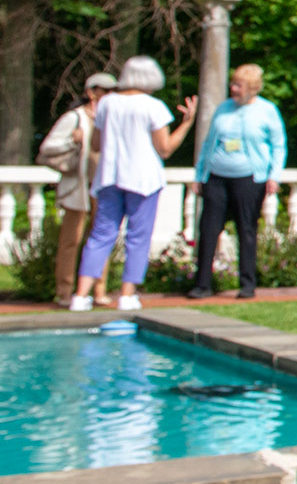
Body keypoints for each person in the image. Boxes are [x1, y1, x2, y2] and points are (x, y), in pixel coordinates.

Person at [76, 56, 198, 311]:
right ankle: (128, 294)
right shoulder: (153, 106)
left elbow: (96, 144)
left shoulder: (107, 104)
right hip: (143, 179)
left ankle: (81, 295)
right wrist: (186, 124)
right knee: (138, 238)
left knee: (100, 236)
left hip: (109, 177)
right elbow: (164, 148)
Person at [191, 64, 289, 300]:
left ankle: (247, 284)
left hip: (249, 178)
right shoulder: (223, 109)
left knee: (246, 230)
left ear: (252, 88)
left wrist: (273, 176)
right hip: (216, 177)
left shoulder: (267, 111)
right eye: (233, 84)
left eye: (239, 85)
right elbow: (208, 143)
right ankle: (202, 284)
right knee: (208, 229)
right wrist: (199, 175)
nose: (233, 89)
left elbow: (278, 145)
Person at [38, 72, 116, 307]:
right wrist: (72, 140)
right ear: (92, 92)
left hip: (103, 188)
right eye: (105, 91)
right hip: (79, 188)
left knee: (101, 239)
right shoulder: (74, 117)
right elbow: (47, 146)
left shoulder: (113, 117)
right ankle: (64, 291)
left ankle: (99, 290)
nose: (110, 95)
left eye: (113, 91)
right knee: (71, 240)